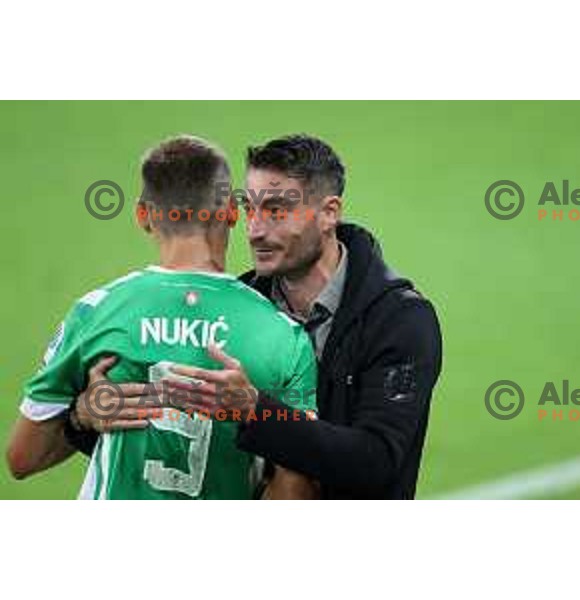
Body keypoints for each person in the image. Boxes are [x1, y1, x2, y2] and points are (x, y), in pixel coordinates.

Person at [30, 134, 443, 500]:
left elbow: (377, 462)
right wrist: (83, 417)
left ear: (329, 212)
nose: (255, 230)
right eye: (249, 207)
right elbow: (176, 439)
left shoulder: (401, 321)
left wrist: (256, 411)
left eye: (277, 210)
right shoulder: (241, 308)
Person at [6, 135, 318, 500]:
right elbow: (297, 482)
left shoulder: (96, 312)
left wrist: (81, 417)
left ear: (143, 216)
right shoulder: (283, 334)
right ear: (232, 212)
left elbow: (22, 458)